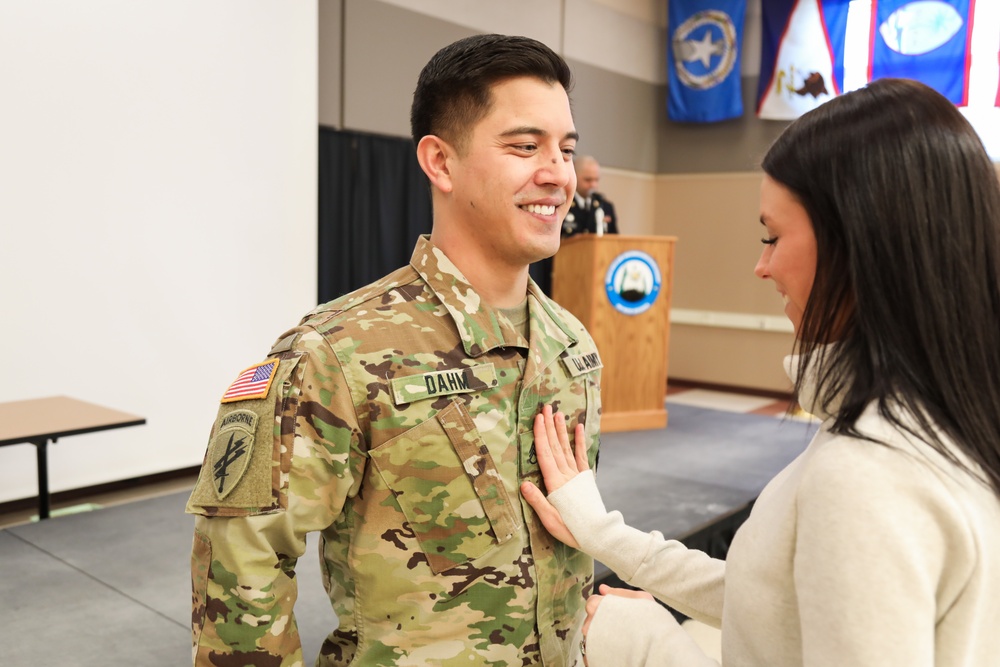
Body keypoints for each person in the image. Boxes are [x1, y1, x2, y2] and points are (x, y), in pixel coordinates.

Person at [522, 78, 1000, 666]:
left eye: (772, 236)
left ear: (859, 245)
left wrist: (649, 643)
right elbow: (777, 600)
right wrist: (603, 534)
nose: (761, 265)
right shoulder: (941, 418)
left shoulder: (869, 474)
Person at [186, 34, 604, 667]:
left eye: (566, 150)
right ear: (440, 162)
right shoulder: (334, 353)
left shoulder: (572, 345)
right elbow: (241, 563)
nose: (558, 173)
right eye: (525, 146)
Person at [561, 156, 618, 237]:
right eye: (588, 180)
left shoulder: (605, 207)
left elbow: (613, 241)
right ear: (574, 176)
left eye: (596, 180)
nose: (593, 185)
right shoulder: (563, 204)